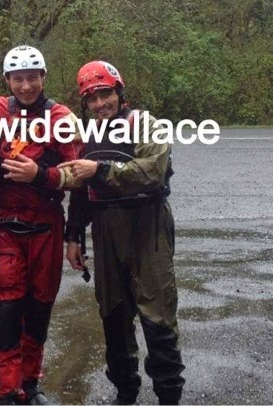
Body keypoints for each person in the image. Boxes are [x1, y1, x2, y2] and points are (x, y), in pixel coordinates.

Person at [0, 45, 82, 405]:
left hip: (46, 224)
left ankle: (30, 382)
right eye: (18, 79)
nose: (26, 86)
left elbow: (78, 175)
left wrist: (40, 174)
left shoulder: (63, 117)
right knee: (5, 310)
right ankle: (9, 390)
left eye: (32, 78)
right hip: (5, 226)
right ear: (7, 80)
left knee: (39, 308)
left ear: (43, 77)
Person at [60, 60, 185, 405]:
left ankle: (169, 396)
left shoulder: (144, 124)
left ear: (119, 92)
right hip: (105, 227)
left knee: (157, 316)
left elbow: (152, 171)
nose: (100, 103)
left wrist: (100, 169)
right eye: (92, 98)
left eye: (105, 94)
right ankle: (125, 392)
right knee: (113, 314)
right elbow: (81, 190)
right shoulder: (89, 136)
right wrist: (73, 235)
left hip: (147, 224)